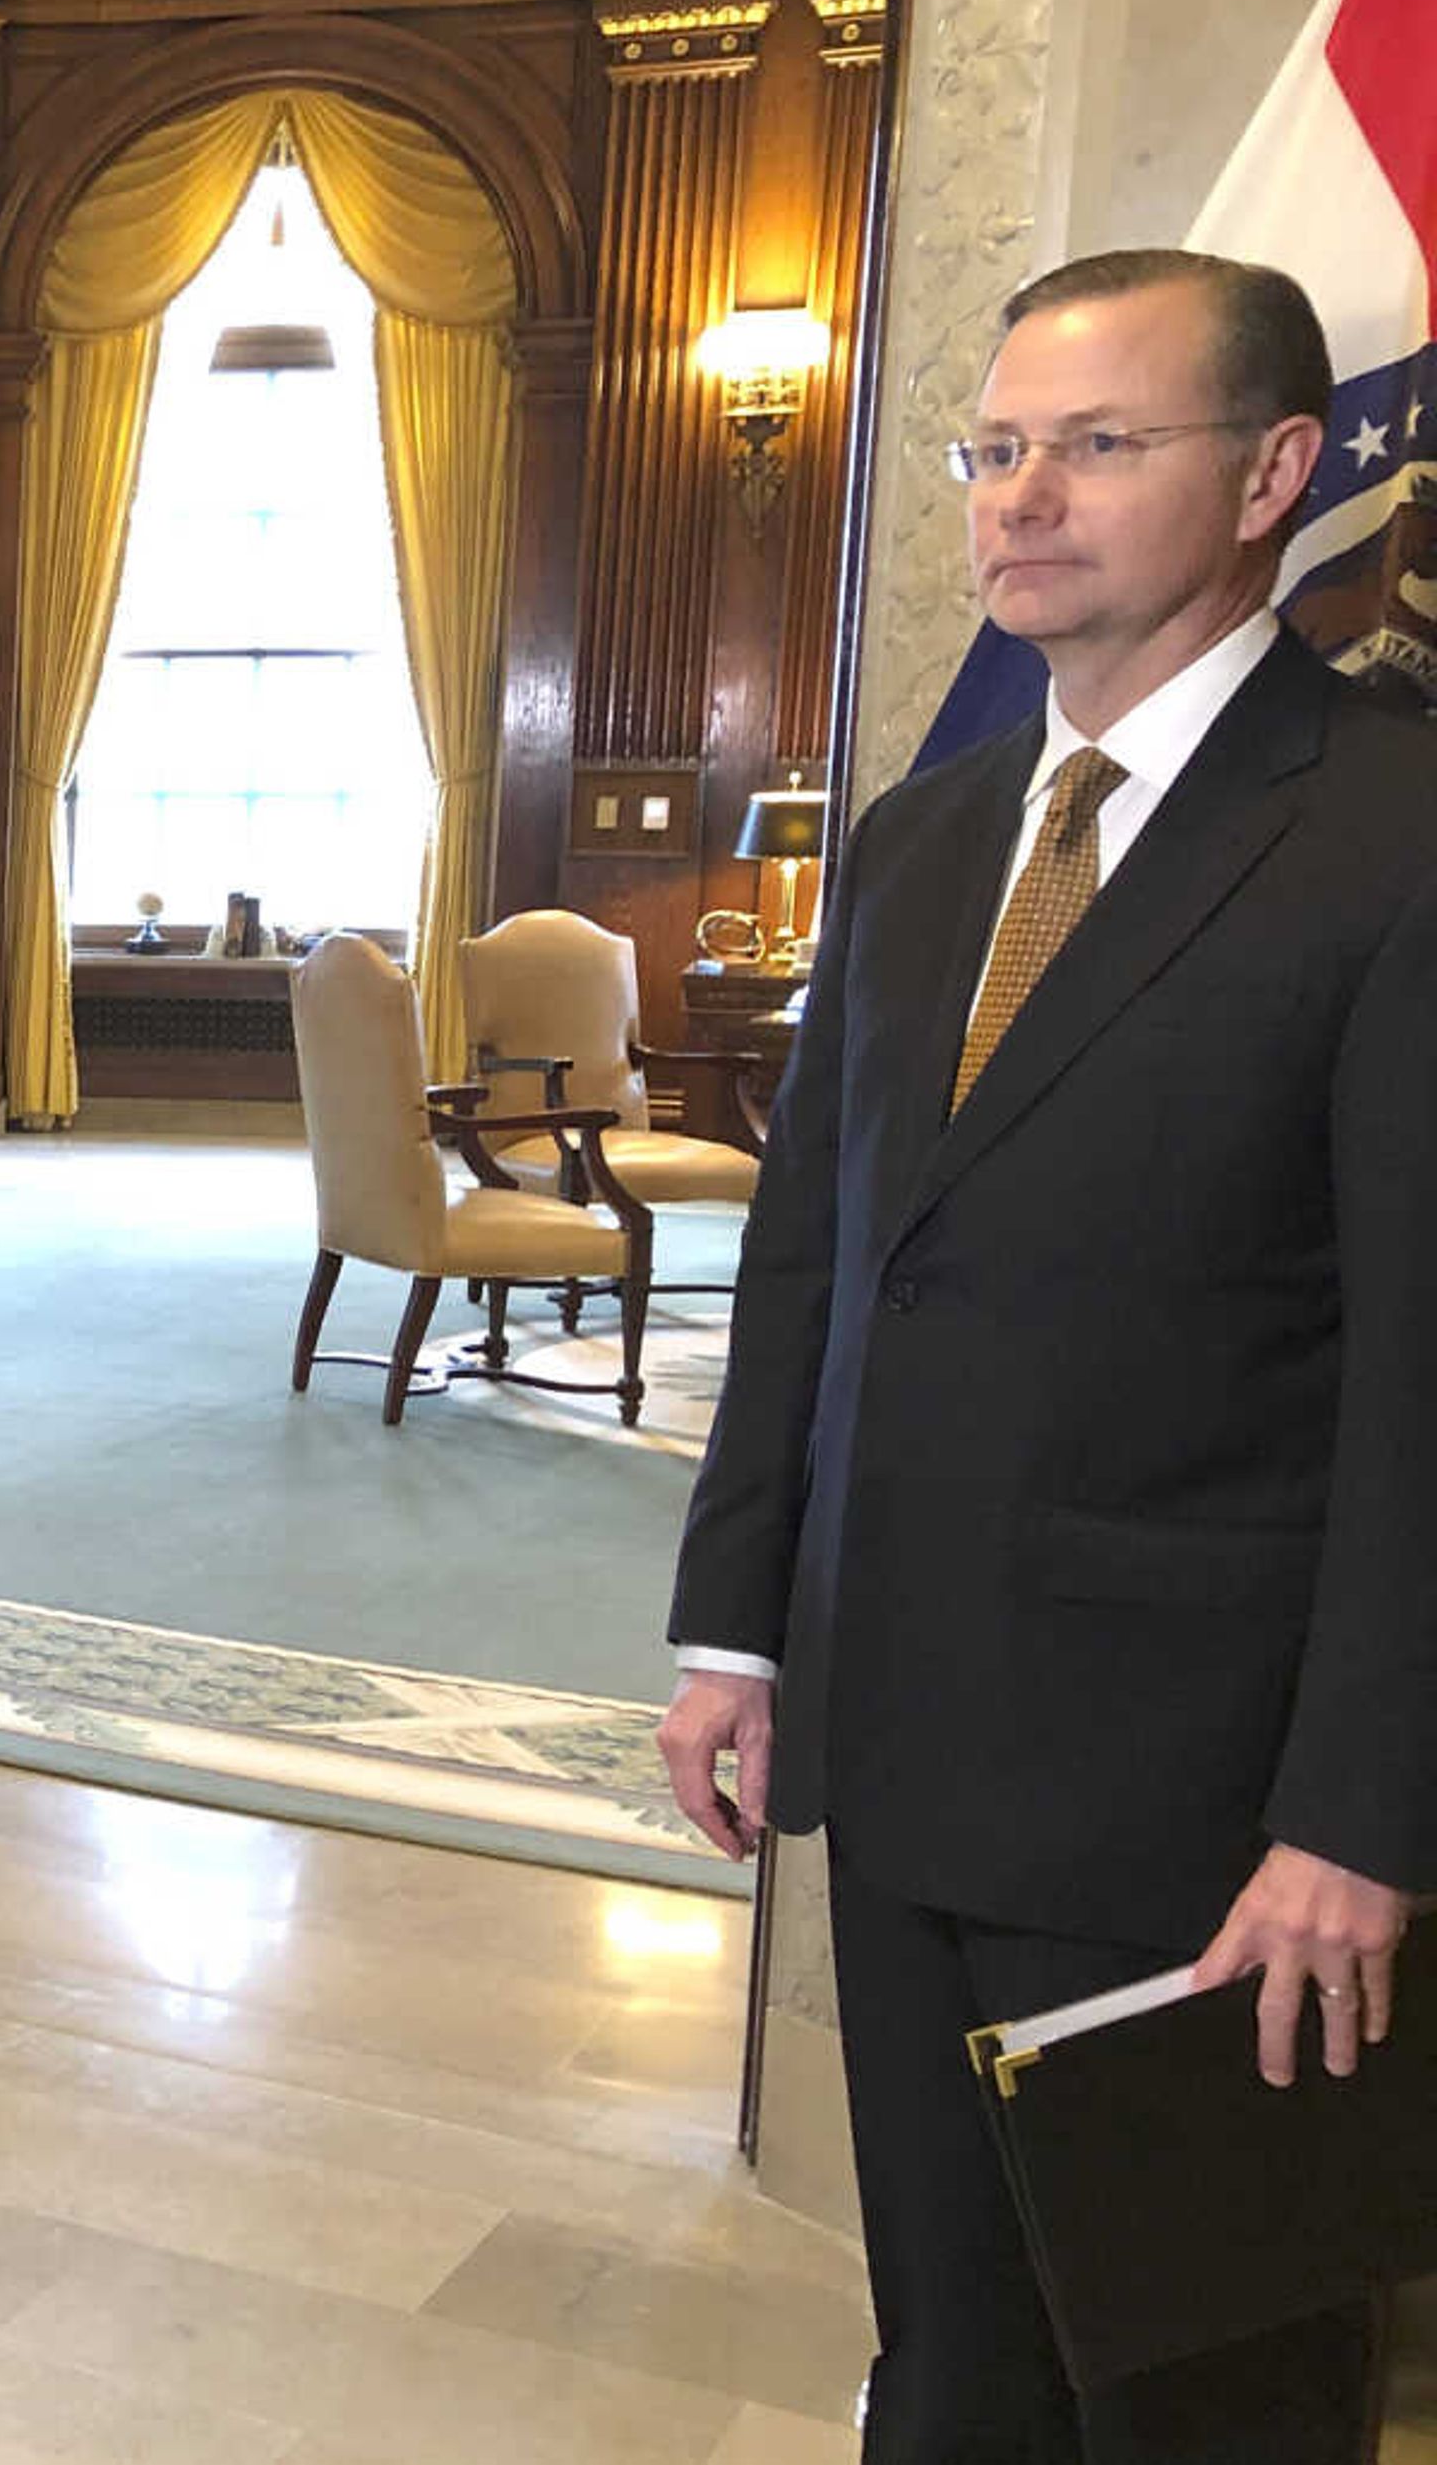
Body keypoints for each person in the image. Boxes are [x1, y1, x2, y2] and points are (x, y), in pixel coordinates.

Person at [660, 248, 1437, 2463]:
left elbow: (1421, 1384)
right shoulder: (922, 840)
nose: (1021, 499)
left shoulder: (1396, 833)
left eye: (1099, 445)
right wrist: (736, 1623)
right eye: (994, 448)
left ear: (1283, 468)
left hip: (1209, 1822)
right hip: (903, 1752)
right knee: (954, 2358)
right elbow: (812, 1264)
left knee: (1206, 2396)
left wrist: (1360, 1820)